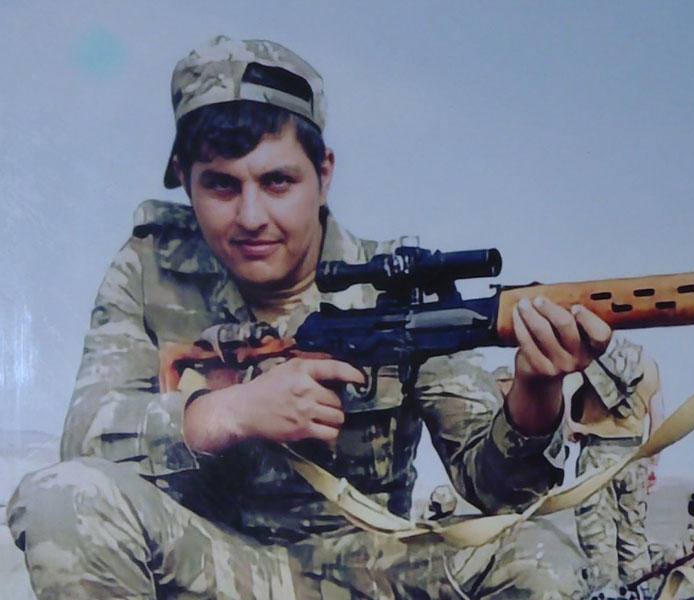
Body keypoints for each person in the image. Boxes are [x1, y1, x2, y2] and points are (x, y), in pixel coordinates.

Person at [5, 35, 615, 599]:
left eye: (277, 182)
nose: (251, 217)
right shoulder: (150, 270)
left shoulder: (394, 287)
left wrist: (537, 391)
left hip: (372, 571)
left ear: (323, 175)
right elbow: (85, 440)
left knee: (538, 557)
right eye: (221, 186)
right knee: (62, 500)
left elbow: (500, 492)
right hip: (209, 567)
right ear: (186, 184)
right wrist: (227, 413)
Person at [564, 336, 665, 594]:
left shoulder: (590, 363)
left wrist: (570, 424)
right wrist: (652, 463)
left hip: (596, 457)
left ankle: (606, 595)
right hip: (634, 457)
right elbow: (659, 422)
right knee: (634, 540)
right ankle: (640, 593)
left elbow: (566, 388)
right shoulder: (649, 366)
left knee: (598, 544)